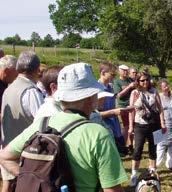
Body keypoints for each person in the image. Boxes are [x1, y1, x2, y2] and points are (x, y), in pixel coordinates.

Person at [0, 63, 128, 192]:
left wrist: (35, 180)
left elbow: (5, 157)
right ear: (90, 97)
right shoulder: (98, 134)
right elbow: (112, 189)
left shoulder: (42, 124)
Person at [0, 51, 44, 192]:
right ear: (37, 70)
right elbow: (43, 124)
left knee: (9, 186)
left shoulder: (8, 88)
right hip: (25, 152)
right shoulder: (31, 91)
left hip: (7, 147)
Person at [128, 71, 166, 187]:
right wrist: (130, 126)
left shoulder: (154, 92)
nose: (145, 82)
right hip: (140, 125)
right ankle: (134, 174)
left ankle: (152, 171)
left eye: (147, 80)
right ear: (138, 81)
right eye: (142, 80)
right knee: (137, 149)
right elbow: (131, 111)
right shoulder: (135, 93)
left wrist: (163, 123)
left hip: (154, 124)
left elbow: (160, 109)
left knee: (153, 149)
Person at [98, 61, 129, 156]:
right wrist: (114, 112)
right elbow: (95, 114)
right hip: (103, 126)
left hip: (114, 123)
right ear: (103, 73)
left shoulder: (110, 87)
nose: (114, 77)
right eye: (112, 74)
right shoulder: (96, 89)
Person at [156, 79, 172, 171]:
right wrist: (161, 122)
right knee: (160, 145)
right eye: (164, 86)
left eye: (167, 85)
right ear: (160, 88)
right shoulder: (158, 97)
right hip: (162, 123)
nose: (166, 87)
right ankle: (155, 166)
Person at [114, 64, 136, 154]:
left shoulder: (130, 80)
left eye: (127, 70)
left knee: (132, 127)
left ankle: (130, 145)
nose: (125, 72)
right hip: (123, 107)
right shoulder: (117, 82)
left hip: (132, 106)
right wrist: (129, 87)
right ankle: (123, 146)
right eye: (123, 70)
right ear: (119, 71)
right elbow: (118, 95)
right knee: (127, 127)